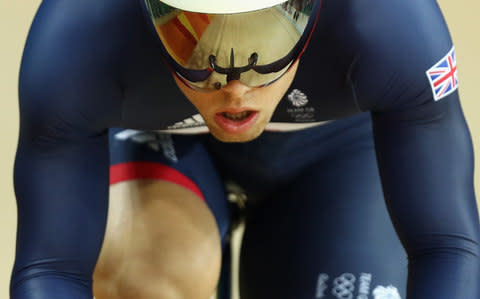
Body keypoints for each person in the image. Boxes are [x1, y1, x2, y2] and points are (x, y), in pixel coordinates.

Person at [11, 0, 480, 298]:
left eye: (268, 39)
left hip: (335, 155)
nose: (235, 89)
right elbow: (54, 267)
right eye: (193, 39)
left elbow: (445, 246)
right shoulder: (76, 39)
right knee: (148, 278)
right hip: (163, 145)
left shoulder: (391, 23)